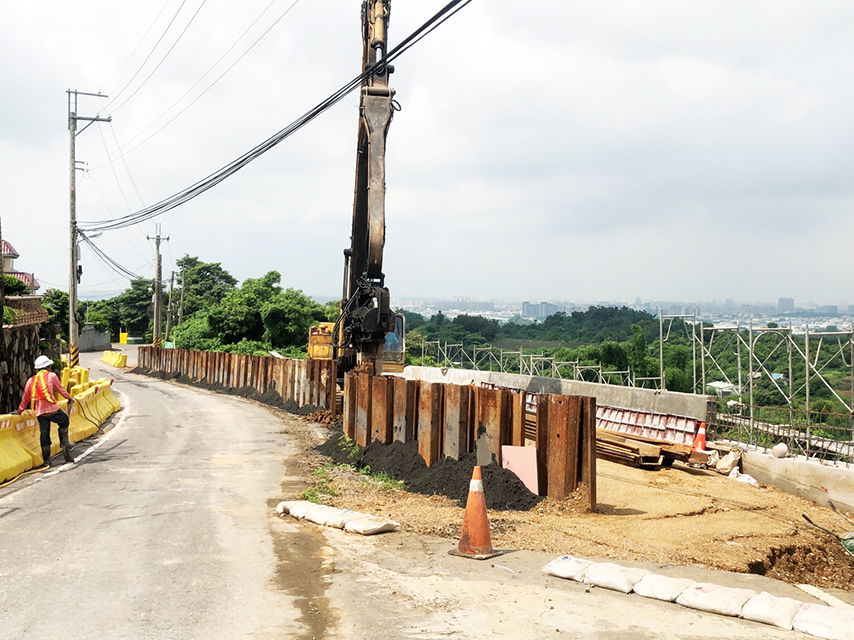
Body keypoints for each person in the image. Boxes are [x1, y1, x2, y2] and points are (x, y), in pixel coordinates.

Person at [17, 355, 75, 468]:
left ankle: (47, 460)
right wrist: (69, 398)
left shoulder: (31, 380)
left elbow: (25, 398)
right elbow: (60, 389)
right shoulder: (51, 376)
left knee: (44, 433)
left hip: (39, 412)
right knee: (64, 420)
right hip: (52, 409)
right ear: (48, 367)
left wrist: (20, 410)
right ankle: (64, 443)